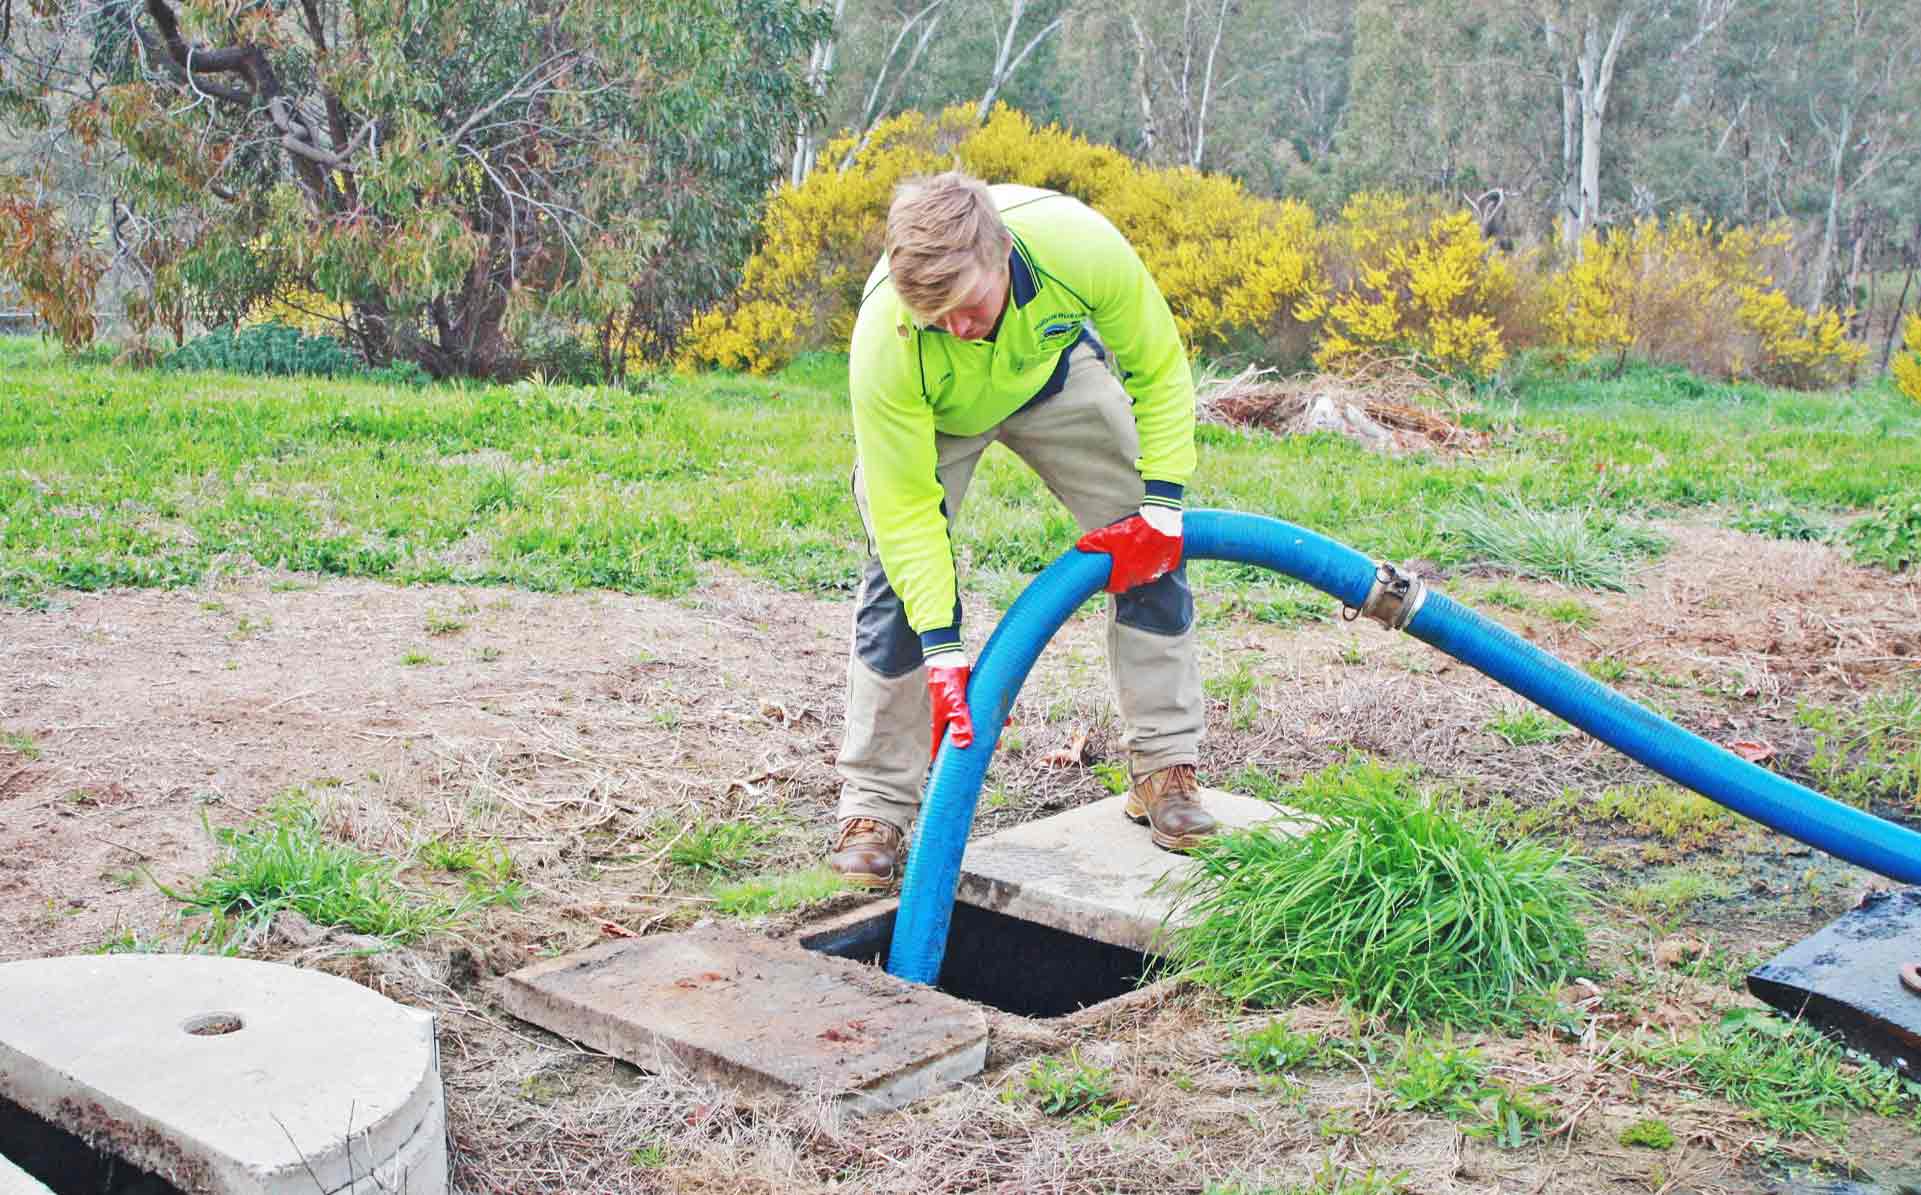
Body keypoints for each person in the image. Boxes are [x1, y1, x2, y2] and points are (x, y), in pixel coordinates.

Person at [828, 170, 1217, 890]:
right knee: (898, 588)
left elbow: (1158, 367)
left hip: (1050, 376)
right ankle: (874, 811)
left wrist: (1161, 506)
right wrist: (945, 650)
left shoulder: (1077, 244)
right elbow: (908, 508)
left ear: (1001, 252)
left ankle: (1164, 769)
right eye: (935, 317)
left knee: (1150, 547)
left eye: (969, 306)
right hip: (934, 414)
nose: (958, 329)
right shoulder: (885, 336)